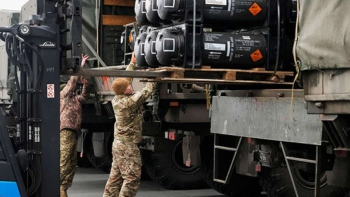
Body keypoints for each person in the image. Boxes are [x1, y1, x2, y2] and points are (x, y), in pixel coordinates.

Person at [103, 53, 156, 197]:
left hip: (119, 145)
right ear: (123, 90)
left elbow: (126, 80)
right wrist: (154, 77)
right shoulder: (128, 103)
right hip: (127, 146)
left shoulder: (117, 98)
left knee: (115, 177)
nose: (130, 86)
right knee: (132, 178)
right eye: (128, 87)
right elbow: (146, 92)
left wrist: (132, 64)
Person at [60, 54, 89, 197]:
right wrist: (80, 67)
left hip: (74, 132)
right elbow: (71, 84)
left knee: (72, 162)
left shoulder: (75, 100)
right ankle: (57, 185)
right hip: (66, 130)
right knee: (64, 159)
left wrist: (85, 85)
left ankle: (63, 188)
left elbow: (84, 97)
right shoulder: (63, 96)